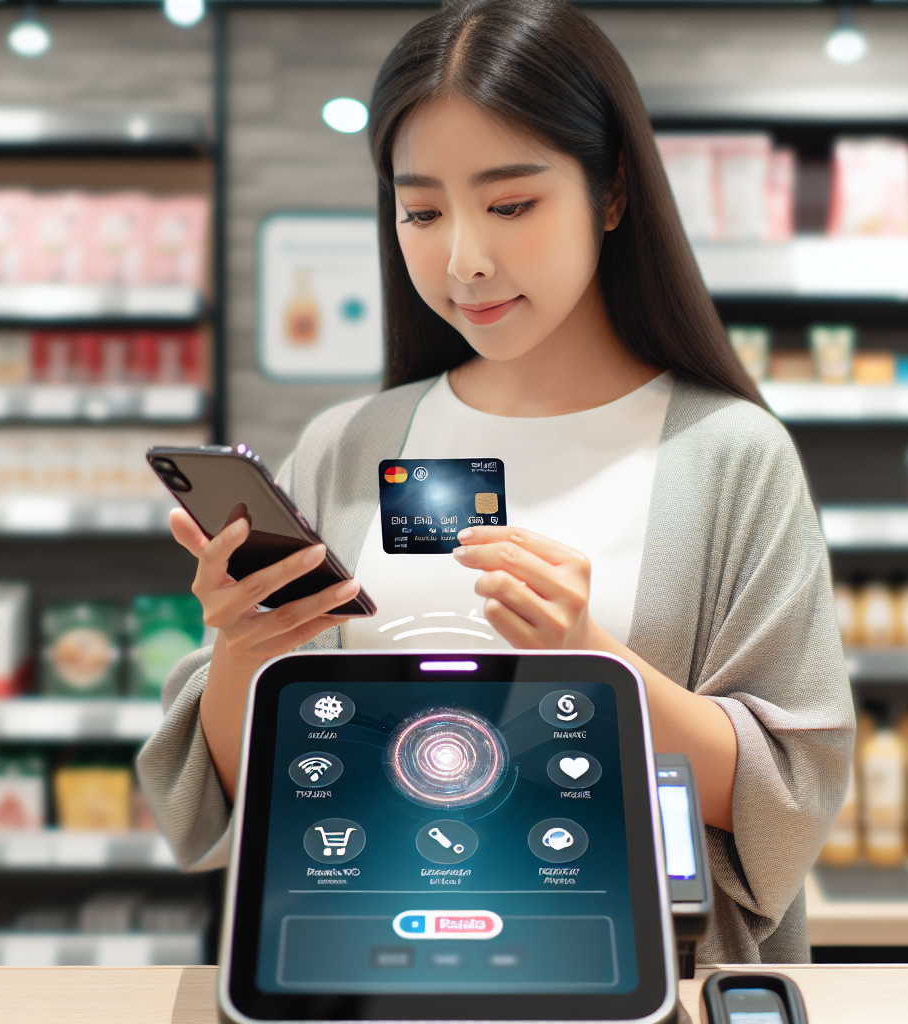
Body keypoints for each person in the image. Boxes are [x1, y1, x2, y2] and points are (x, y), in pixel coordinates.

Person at [138, 0, 852, 965]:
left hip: (615, 974)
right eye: (421, 211)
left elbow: (789, 791)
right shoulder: (352, 444)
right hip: (366, 970)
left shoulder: (727, 455)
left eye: (511, 204)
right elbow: (242, 794)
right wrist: (243, 647)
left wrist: (590, 663)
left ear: (611, 193)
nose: (464, 259)